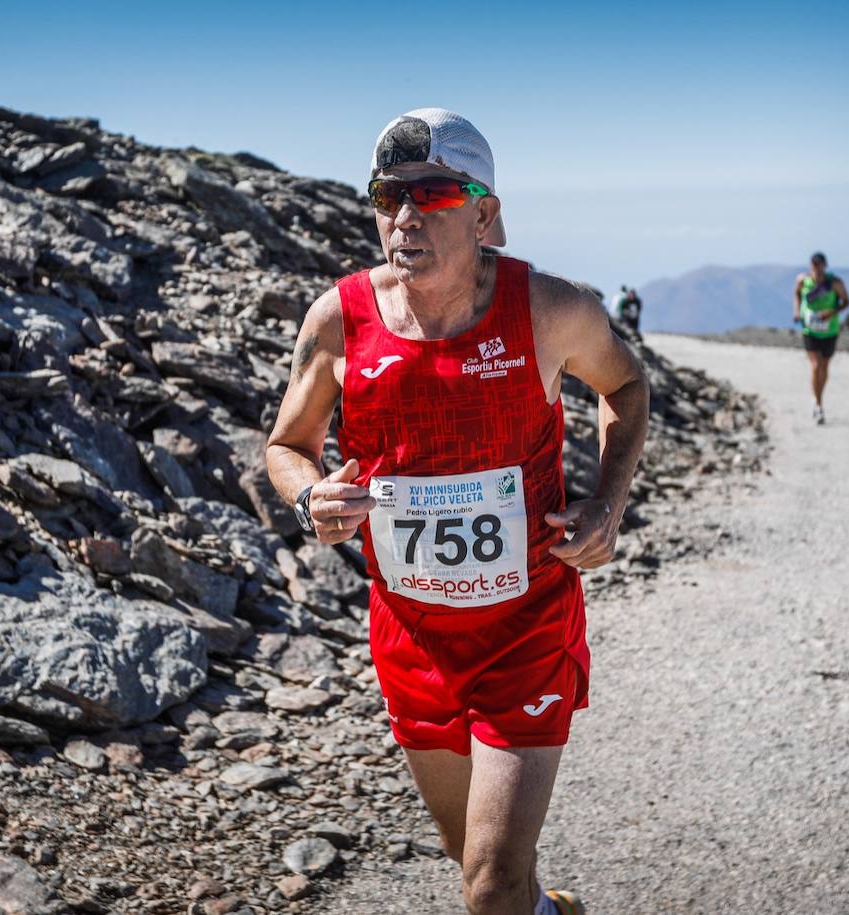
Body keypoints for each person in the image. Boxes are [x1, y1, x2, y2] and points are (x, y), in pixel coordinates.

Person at [265, 108, 649, 915]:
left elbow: (627, 385)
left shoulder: (550, 309)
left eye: (431, 193)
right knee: (468, 855)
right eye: (386, 195)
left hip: (528, 624)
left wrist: (607, 504)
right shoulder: (340, 320)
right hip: (411, 635)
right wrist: (310, 495)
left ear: (484, 212)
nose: (403, 216)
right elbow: (286, 445)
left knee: (488, 880)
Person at [793, 251, 849, 424]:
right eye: (813, 265)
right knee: (816, 365)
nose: (816, 268)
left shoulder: (834, 283)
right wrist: (796, 312)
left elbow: (846, 302)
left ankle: (818, 394)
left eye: (819, 265)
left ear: (825, 265)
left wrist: (832, 312)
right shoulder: (803, 280)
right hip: (810, 330)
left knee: (824, 366)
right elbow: (797, 294)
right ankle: (818, 405)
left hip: (829, 330)